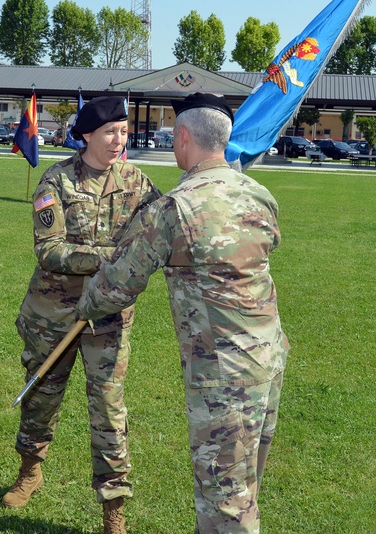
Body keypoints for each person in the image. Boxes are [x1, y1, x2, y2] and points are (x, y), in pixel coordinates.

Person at [76, 93, 289, 534]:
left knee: (227, 502)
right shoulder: (258, 193)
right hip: (269, 356)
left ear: (184, 137)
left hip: (223, 373)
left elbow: (119, 283)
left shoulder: (176, 207)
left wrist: (83, 306)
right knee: (241, 486)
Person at [3, 95, 160, 534]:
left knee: (109, 408)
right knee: (41, 398)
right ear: (87, 134)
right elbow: (50, 251)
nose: (118, 140)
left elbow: (163, 231)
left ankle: (114, 509)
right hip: (53, 315)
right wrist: (113, 256)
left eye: (124, 132)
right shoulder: (57, 180)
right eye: (110, 132)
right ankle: (29, 471)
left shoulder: (137, 181)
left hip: (107, 316)